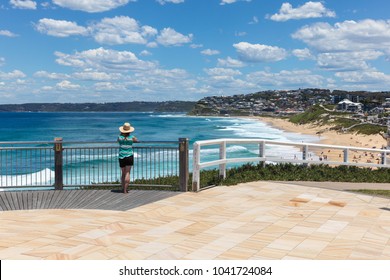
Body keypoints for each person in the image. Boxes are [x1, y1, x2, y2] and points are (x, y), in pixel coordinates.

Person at [118, 122, 138, 193]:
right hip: (129, 156)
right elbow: (136, 140)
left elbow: (118, 141)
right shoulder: (131, 137)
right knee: (127, 173)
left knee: (123, 173)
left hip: (121, 156)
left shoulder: (119, 137)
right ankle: (125, 190)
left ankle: (122, 188)